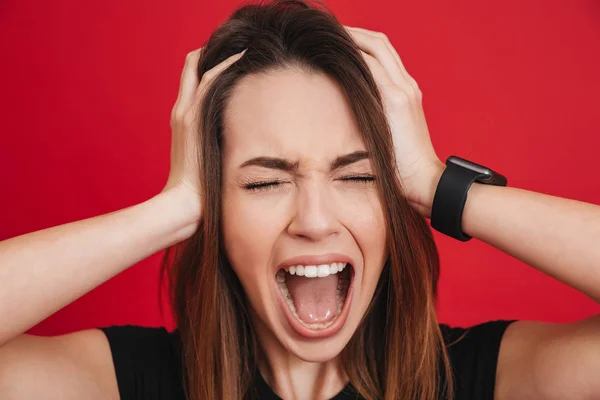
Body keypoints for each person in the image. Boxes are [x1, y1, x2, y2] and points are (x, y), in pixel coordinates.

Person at [0, 0, 599, 399]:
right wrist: (174, 208)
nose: (315, 221)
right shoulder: (132, 381)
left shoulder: (477, 377)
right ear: (216, 207)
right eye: (264, 182)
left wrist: (437, 183)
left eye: (359, 177)